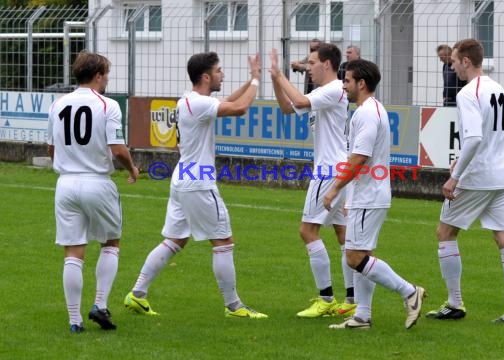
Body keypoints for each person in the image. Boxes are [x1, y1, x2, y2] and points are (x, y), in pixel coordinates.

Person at [124, 51, 268, 319]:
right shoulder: (198, 104)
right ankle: (234, 306)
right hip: (198, 183)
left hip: (182, 179)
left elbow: (226, 101)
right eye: (219, 70)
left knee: (175, 240)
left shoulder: (189, 101)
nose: (222, 74)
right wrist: (257, 81)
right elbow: (239, 108)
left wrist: (250, 81)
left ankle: (137, 294)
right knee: (223, 241)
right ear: (206, 76)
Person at [426, 39, 504, 324]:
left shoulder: (468, 92)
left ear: (467, 61)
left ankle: (455, 303)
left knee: (445, 233)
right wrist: (461, 158)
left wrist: (455, 176)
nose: (453, 66)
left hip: (477, 177)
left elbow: (473, 137)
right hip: (501, 174)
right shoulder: (498, 88)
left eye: (455, 61)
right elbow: (503, 134)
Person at [324, 59, 426, 330]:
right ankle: (363, 316)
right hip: (366, 194)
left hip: (369, 194)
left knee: (354, 257)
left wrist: (335, 189)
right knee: (362, 254)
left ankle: (409, 292)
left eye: (347, 81)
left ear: (361, 83)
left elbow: (359, 157)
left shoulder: (367, 113)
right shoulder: (370, 110)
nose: (343, 86)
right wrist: (348, 197)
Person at [47, 51, 139, 333]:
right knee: (111, 242)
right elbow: (118, 149)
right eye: (106, 74)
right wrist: (132, 168)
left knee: (73, 251)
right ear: (98, 75)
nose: (107, 78)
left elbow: (51, 149)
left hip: (65, 184)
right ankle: (99, 304)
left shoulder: (57, 104)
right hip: (97, 181)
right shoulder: (107, 105)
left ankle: (74, 321)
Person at [270, 43, 356, 318]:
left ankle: (326, 298)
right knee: (344, 235)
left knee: (308, 232)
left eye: (311, 63)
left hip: (329, 171)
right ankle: (351, 299)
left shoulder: (333, 89)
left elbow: (300, 102)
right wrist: (275, 79)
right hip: (339, 169)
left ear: (327, 64)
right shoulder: (322, 92)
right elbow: (287, 107)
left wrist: (281, 76)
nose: (308, 68)